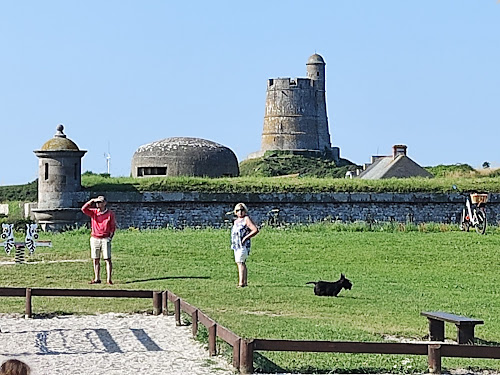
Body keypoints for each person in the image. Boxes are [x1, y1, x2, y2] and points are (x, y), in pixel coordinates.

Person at [81, 195, 116, 285]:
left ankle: (109, 279)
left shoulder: (110, 214)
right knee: (95, 259)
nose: (97, 204)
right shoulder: (93, 212)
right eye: (96, 202)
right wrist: (91, 201)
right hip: (95, 238)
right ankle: (97, 278)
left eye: (99, 202)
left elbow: (112, 226)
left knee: (107, 259)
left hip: (105, 238)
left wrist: (110, 237)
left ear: (105, 203)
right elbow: (83, 209)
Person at [230, 203, 259, 287]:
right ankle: (244, 281)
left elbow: (255, 230)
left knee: (240, 262)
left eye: (242, 210)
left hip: (243, 245)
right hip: (236, 245)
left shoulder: (246, 219)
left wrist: (245, 238)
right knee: (239, 262)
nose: (240, 212)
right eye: (238, 210)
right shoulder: (235, 221)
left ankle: (241, 283)